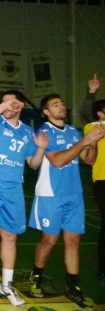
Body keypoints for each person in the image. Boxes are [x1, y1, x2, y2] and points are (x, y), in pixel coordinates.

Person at [0, 90, 48, 307]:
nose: (6, 106)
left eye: (11, 102)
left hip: (13, 191)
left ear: (20, 105)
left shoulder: (27, 131)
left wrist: (40, 149)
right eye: (3, 103)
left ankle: (7, 284)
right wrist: (2, 108)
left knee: (10, 237)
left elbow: (33, 163)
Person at [28, 93, 104, 309]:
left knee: (73, 242)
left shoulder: (73, 131)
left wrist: (93, 143)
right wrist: (84, 141)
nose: (61, 106)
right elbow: (59, 161)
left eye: (62, 103)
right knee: (49, 240)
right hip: (51, 194)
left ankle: (73, 287)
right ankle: (36, 277)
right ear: (46, 112)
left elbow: (89, 160)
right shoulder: (44, 132)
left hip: (74, 194)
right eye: (55, 104)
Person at [84, 94, 105, 284]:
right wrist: (90, 94)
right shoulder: (92, 128)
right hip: (103, 182)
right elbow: (86, 112)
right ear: (100, 114)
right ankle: (103, 269)